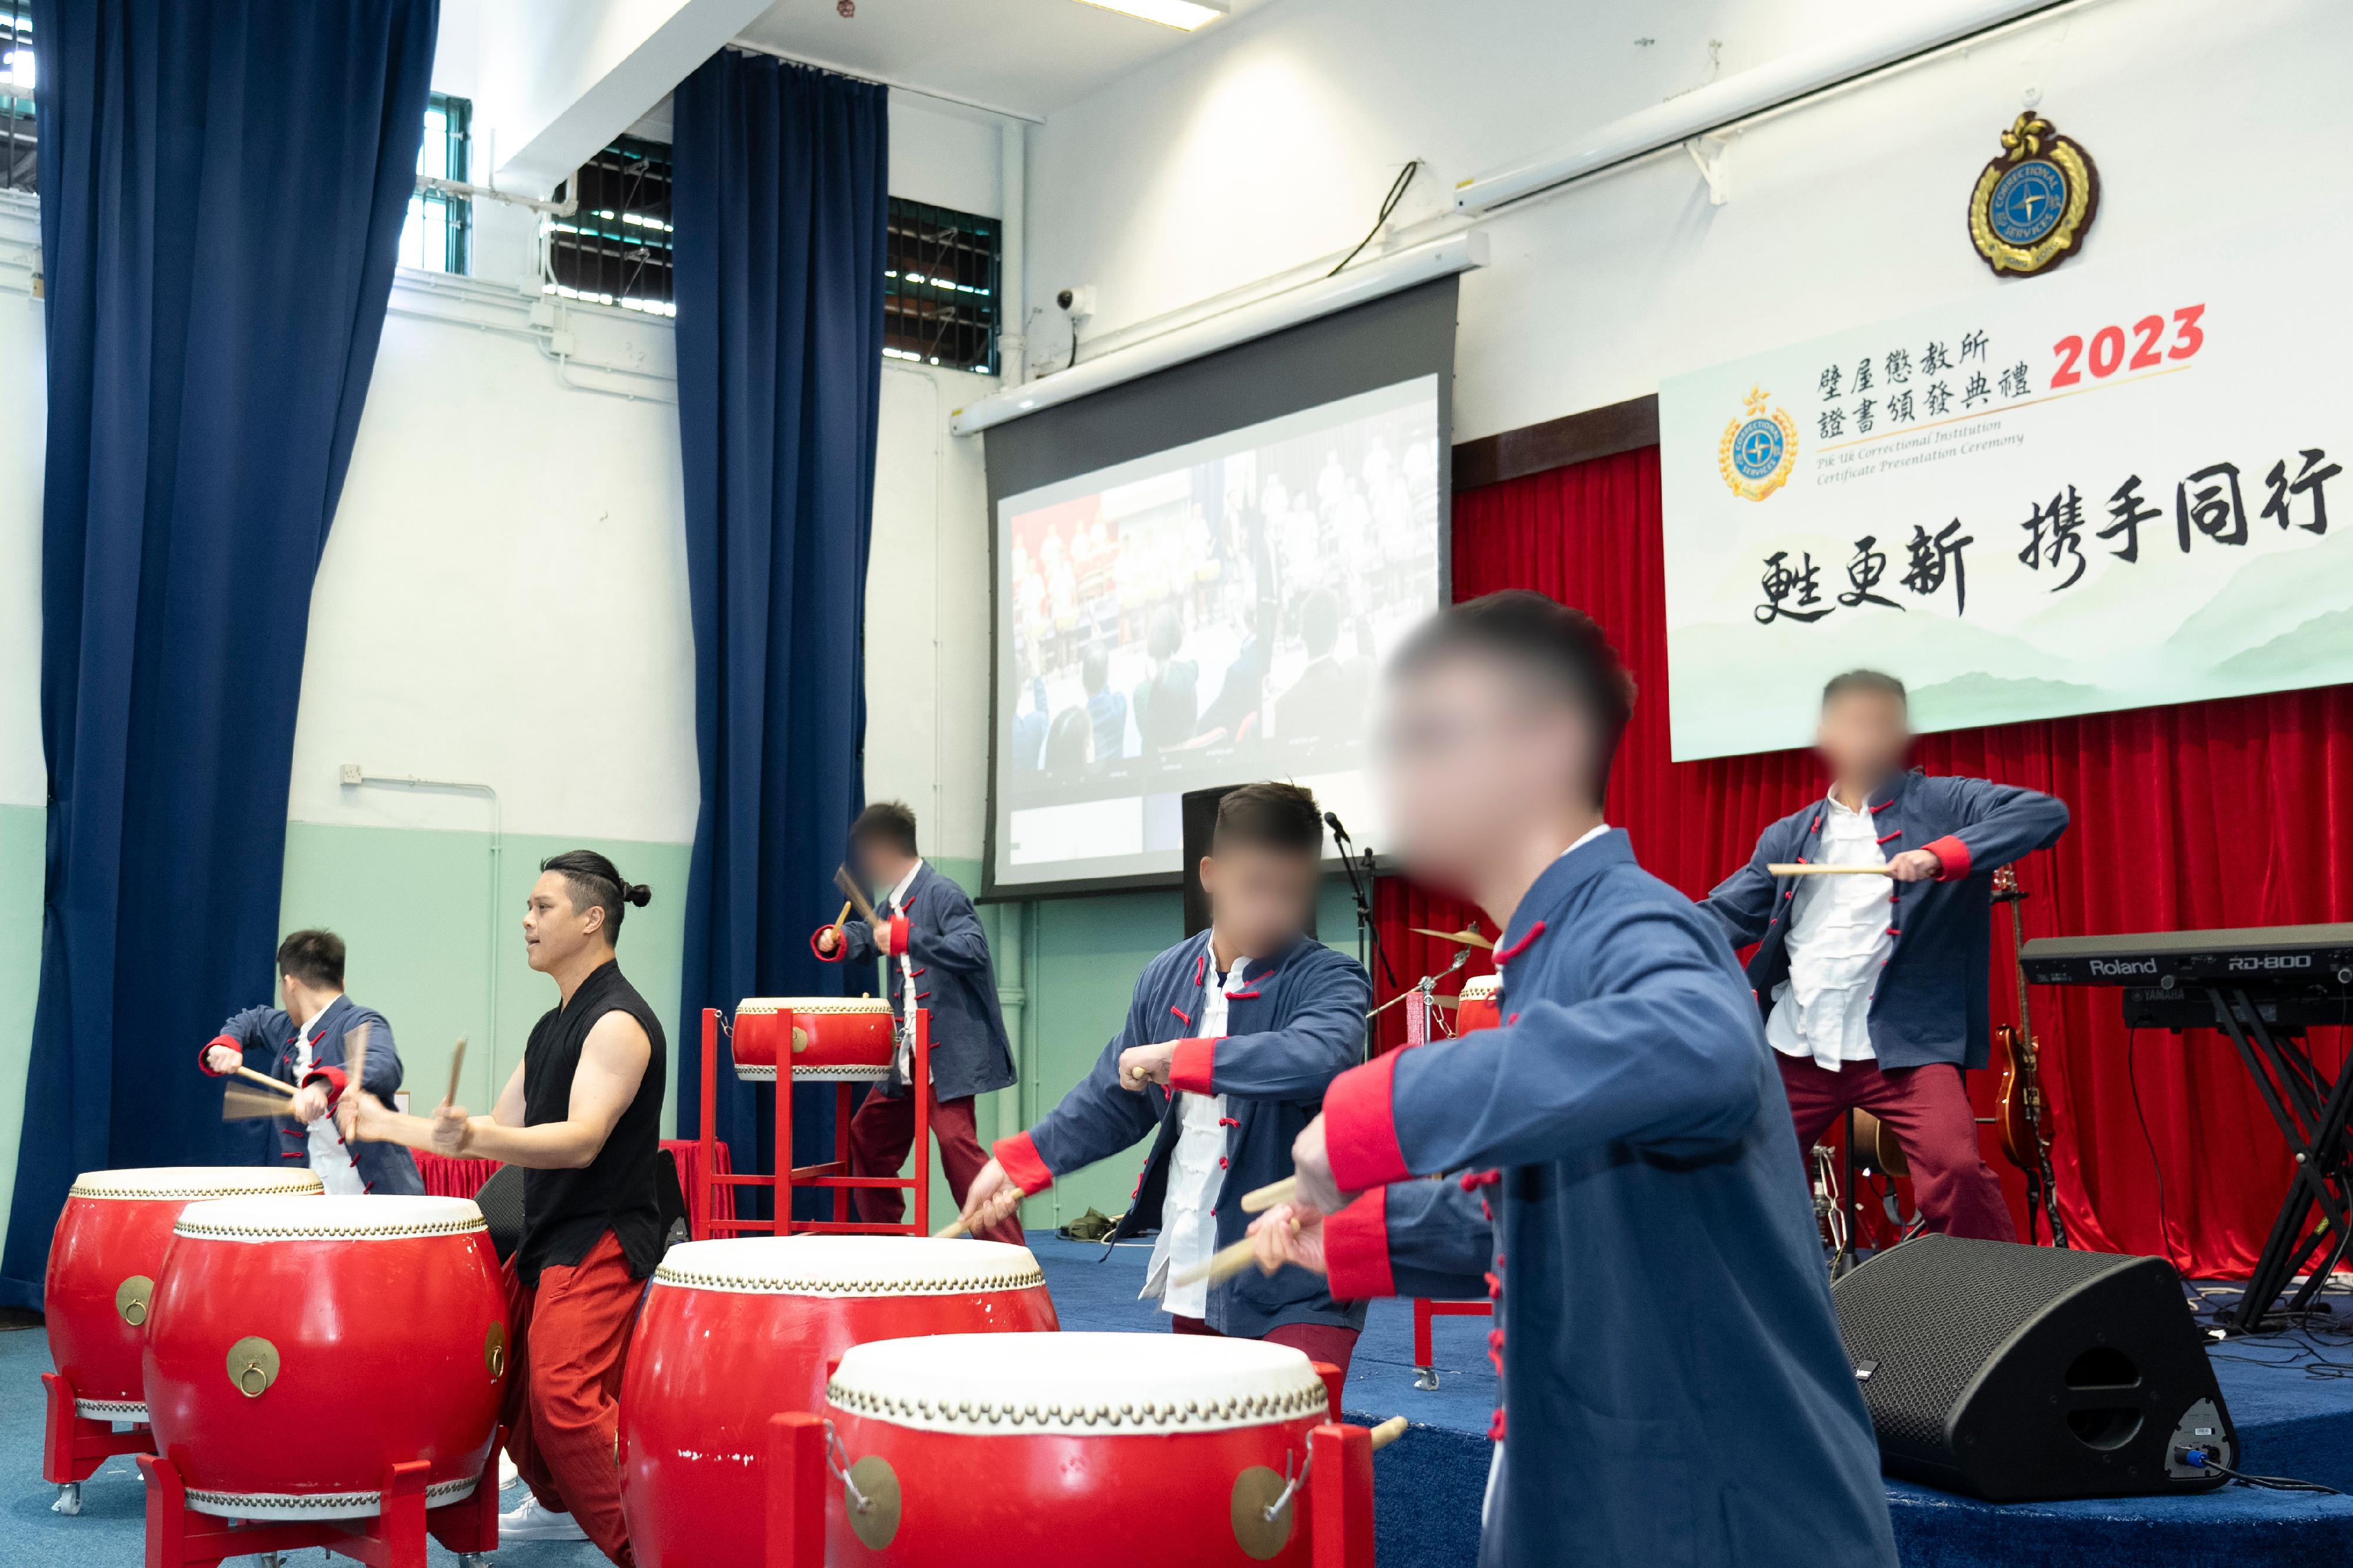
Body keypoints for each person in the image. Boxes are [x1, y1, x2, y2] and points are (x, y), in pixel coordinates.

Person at [1249, 592, 1897, 1568]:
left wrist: (1370, 1110)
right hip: (1602, 1485)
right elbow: (1547, 1220)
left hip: (1710, 1512)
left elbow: (1700, 1049)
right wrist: (1349, 1238)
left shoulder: (1636, 921)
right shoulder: (1552, 947)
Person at [955, 782, 1371, 1370]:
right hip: (1197, 1260)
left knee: (1299, 1449)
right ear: (1211, 873)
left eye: (1290, 889)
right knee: (1210, 1452)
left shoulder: (1331, 977)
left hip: (1304, 1278)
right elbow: (1115, 1096)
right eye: (1255, 885)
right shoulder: (1166, 975)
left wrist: (1182, 1058)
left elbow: (1316, 1055)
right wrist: (1019, 1161)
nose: (1272, 907)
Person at [350, 850, 664, 1563]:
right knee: (510, 1391)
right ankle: (561, 1504)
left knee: (563, 1397)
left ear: (592, 918)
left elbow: (582, 1140)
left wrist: (484, 1132)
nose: (526, 920)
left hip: (603, 1234)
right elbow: (493, 1128)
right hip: (549, 1231)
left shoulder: (618, 1020)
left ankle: (650, 1540)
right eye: (527, 906)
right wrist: (380, 1121)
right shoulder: (551, 1023)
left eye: (542, 906)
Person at [1698, 669, 2068, 1242]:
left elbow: (2044, 813)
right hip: (1797, 1046)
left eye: (1881, 724)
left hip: (1903, 1047)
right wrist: (1633, 939)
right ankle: (1770, 1309)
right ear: (1825, 733)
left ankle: (2000, 1308)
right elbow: (1721, 916)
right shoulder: (1790, 835)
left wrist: (1940, 854)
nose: (1867, 737)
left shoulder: (1943, 802)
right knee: (1738, 1170)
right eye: (1853, 723)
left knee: (1956, 1170)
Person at [814, 802, 1022, 1246]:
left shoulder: (942, 893)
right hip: (908, 1055)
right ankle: (887, 1243)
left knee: (956, 1146)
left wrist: (907, 937)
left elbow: (972, 949)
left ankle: (1010, 1252)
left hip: (942, 1053)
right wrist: (839, 940)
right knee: (868, 1137)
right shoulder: (898, 899)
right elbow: (874, 936)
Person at [199, 929, 421, 1196]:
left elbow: (383, 1064)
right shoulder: (288, 1028)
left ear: (290, 984)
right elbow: (251, 1020)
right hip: (317, 1195)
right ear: (343, 981)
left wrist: (322, 1086)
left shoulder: (361, 1020)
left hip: (379, 1198)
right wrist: (227, 1044)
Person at [1082, 644, 1128, 764]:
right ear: (1107, 674)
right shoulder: (1119, 703)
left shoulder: (1081, 722)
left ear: (1083, 680)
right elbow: (1105, 695)